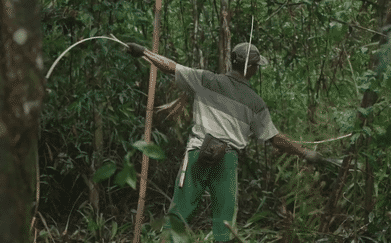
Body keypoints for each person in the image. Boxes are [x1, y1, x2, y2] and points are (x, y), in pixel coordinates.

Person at [126, 42, 324, 243]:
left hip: (198, 153)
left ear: (233, 62)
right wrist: (304, 152)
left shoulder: (205, 79)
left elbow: (171, 66)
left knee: (178, 216)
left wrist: (143, 52)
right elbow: (275, 139)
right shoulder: (255, 102)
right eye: (256, 66)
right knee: (224, 225)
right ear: (252, 68)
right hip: (226, 161)